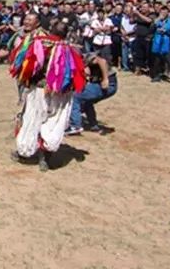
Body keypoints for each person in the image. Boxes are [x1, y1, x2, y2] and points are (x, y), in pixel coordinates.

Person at [9, 21, 86, 171]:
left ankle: (24, 152)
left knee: (32, 120)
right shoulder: (72, 50)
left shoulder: (38, 43)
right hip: (61, 94)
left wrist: (25, 80)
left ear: (50, 30)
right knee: (53, 123)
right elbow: (79, 72)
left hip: (39, 90)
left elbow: (24, 64)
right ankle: (45, 158)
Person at [66, 50, 118, 135]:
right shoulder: (81, 62)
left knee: (75, 97)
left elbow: (102, 61)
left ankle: (75, 126)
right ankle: (93, 125)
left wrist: (105, 79)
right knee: (86, 100)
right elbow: (86, 72)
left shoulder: (86, 57)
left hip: (107, 84)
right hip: (101, 83)